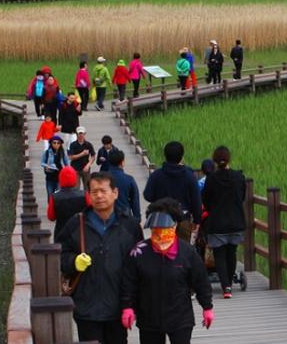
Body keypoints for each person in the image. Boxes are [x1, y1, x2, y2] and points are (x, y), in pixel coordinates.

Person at [58, 172, 139, 344]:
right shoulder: (75, 223)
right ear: (88, 195)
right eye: (94, 192)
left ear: (115, 193)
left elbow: (139, 264)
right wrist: (73, 262)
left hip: (119, 306)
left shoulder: (130, 225)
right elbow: (59, 256)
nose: (99, 196)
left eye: (103, 191)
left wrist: (133, 303)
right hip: (86, 307)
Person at [121, 209, 215, 344]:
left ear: (174, 227)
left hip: (180, 316)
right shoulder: (139, 252)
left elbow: (201, 281)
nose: (160, 235)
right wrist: (127, 307)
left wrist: (207, 307)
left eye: (165, 230)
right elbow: (129, 282)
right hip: (149, 317)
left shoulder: (187, 252)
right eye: (155, 230)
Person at [199, 146, 247, 298]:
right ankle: (229, 285)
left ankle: (226, 287)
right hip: (235, 221)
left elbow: (205, 200)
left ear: (215, 160)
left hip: (217, 222)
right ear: (229, 159)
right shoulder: (239, 177)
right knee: (231, 253)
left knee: (219, 255)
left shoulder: (211, 179)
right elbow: (242, 196)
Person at [143, 141, 202, 242]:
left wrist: (159, 201)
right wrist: (197, 220)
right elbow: (196, 201)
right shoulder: (190, 176)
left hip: (161, 219)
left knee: (162, 249)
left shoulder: (156, 175)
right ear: (181, 157)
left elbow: (147, 195)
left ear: (165, 156)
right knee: (182, 251)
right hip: (183, 220)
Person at [47, 165, 87, 233]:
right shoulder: (84, 195)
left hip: (61, 231)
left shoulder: (54, 197)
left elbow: (51, 217)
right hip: (79, 231)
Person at [107, 149, 141, 222]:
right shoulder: (129, 179)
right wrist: (137, 218)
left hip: (106, 216)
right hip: (124, 216)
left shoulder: (102, 179)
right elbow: (135, 200)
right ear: (122, 162)